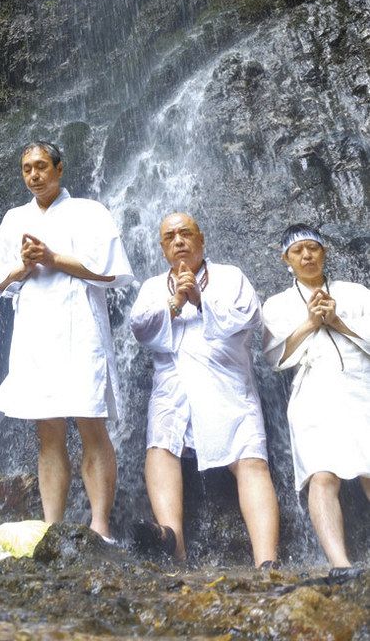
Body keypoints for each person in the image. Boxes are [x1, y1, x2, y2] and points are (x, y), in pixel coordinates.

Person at [0, 142, 133, 538]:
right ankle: (52, 528)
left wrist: (52, 257)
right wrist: (22, 266)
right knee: (47, 430)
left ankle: (100, 527)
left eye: (41, 166)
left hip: (81, 328)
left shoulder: (89, 212)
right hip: (35, 333)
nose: (34, 174)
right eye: (27, 168)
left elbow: (110, 271)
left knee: (90, 423)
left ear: (59, 169)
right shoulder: (14, 219)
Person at [129, 212, 279, 567]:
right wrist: (175, 303)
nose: (178, 241)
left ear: (201, 238)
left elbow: (249, 317)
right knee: (161, 446)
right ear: (163, 248)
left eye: (185, 233)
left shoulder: (230, 276)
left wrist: (200, 300)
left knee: (250, 460)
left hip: (227, 381)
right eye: (170, 237)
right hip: (173, 384)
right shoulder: (153, 286)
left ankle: (267, 562)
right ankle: (172, 541)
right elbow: (140, 329)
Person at [262, 223, 370, 574]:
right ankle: (340, 565)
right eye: (298, 251)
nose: (307, 255)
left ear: (324, 252)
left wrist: (337, 321)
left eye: (313, 248)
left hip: (360, 386)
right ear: (286, 259)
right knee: (322, 475)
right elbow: (274, 359)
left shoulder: (356, 293)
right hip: (313, 394)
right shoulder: (276, 305)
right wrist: (310, 322)